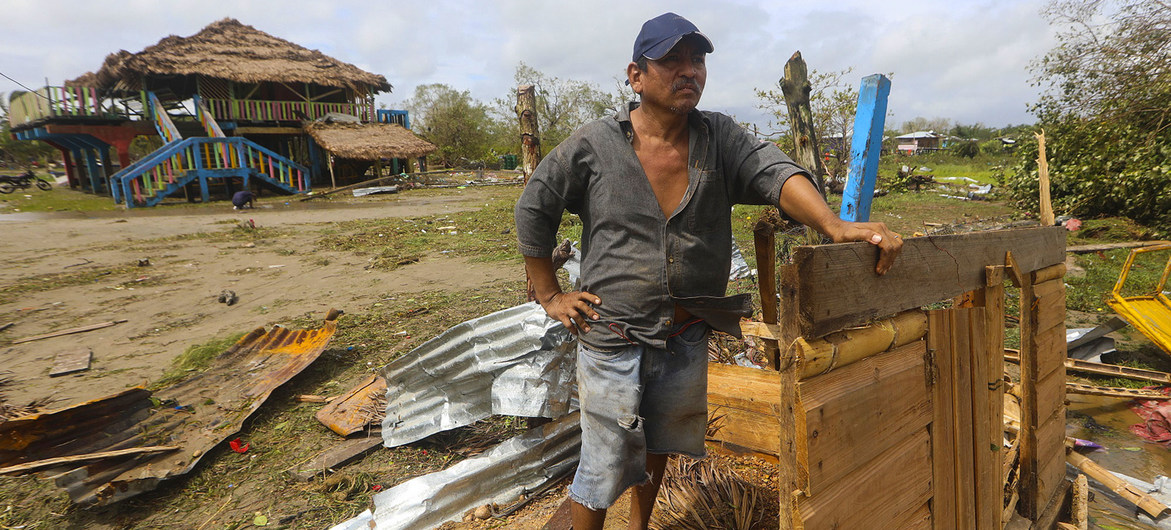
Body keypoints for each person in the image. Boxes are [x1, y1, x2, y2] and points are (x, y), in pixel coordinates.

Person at [514, 12, 903, 530]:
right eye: (672, 60)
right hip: (612, 333)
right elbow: (534, 206)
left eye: (697, 59)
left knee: (660, 442)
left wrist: (832, 224)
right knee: (603, 463)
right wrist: (550, 295)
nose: (689, 70)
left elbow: (775, 173)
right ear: (636, 76)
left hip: (686, 331)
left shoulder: (719, 138)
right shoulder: (595, 145)